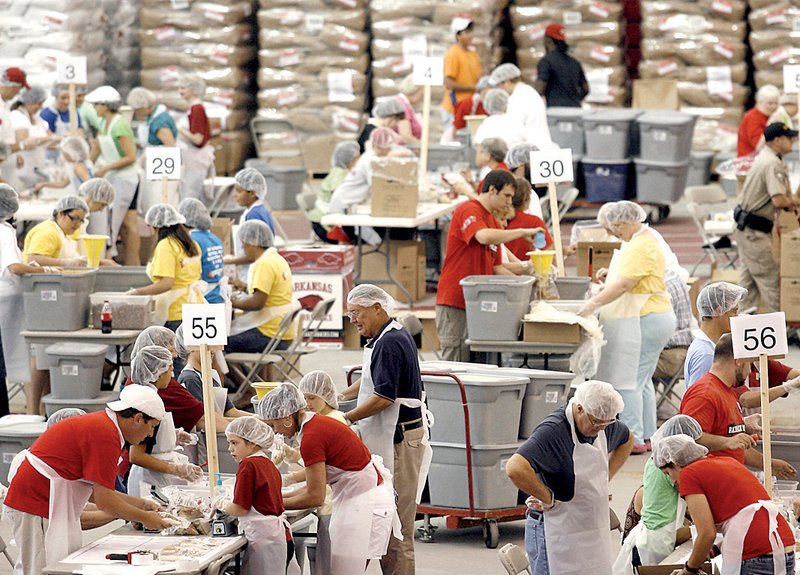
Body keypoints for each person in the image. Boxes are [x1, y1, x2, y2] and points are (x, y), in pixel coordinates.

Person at [3, 385, 172, 575]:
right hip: (35, 501)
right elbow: (105, 501)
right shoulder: (105, 434)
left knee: (56, 566)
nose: (150, 435)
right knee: (39, 569)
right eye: (152, 427)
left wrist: (142, 505)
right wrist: (146, 517)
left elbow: (95, 490)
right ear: (138, 418)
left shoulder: (106, 426)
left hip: (46, 498)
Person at [259, 382, 397, 574]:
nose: (275, 431)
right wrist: (275, 498)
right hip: (361, 497)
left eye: (273, 425)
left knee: (345, 571)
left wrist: (272, 505)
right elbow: (315, 483)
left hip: (366, 504)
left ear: (287, 416)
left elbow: (315, 496)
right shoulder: (315, 424)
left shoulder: (312, 436)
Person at [339, 284, 428, 575]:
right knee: (388, 522)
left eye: (357, 313)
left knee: (398, 527)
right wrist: (339, 397)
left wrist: (347, 418)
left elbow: (384, 396)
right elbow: (370, 378)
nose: (352, 320)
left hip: (400, 439)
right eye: (350, 314)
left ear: (377, 308)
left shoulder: (390, 342)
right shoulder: (383, 337)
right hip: (393, 436)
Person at [506, 380, 633, 574]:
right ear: (579, 408)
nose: (601, 428)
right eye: (596, 423)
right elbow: (515, 468)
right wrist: (546, 496)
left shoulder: (603, 421)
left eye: (606, 423)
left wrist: (603, 480)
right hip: (552, 527)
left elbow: (627, 439)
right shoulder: (553, 431)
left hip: (588, 527)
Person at [578, 201, 676, 454]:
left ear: (629, 221)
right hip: (654, 316)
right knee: (642, 381)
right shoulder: (642, 240)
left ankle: (632, 437)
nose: (614, 232)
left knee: (628, 380)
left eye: (617, 226)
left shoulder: (640, 245)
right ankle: (647, 435)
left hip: (646, 318)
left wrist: (593, 303)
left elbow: (624, 284)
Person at [435, 169, 543, 361]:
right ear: (492, 190)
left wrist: (528, 284)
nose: (510, 202)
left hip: (479, 306)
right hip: (456, 302)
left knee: (480, 364)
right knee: (457, 363)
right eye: (507, 195)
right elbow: (483, 237)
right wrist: (520, 232)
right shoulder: (468, 210)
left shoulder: (491, 219)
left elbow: (497, 267)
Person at [653, 434, 795, 575]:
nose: (672, 481)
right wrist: (712, 551)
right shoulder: (728, 462)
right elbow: (744, 522)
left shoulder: (688, 474)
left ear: (676, 463)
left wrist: (689, 569)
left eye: (667, 473)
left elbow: (707, 533)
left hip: (756, 555)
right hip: (785, 545)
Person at [680, 333, 797, 477]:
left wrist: (769, 463)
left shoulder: (727, 390)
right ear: (739, 361)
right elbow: (688, 439)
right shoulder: (704, 394)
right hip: (713, 480)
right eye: (749, 364)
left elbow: (736, 445)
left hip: (728, 476)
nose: (749, 372)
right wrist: (727, 441)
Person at [685, 282, 798, 408]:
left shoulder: (733, 346)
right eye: (734, 312)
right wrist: (788, 386)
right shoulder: (706, 355)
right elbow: (700, 402)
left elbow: (783, 372)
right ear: (718, 311)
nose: (737, 318)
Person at [0, 185, 59, 418]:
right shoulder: (4, 231)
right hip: (5, 304)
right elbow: (12, 267)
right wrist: (43, 270)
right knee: (6, 363)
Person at [615, 415, 700, 572]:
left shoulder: (655, 459)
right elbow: (692, 497)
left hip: (648, 537)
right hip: (656, 542)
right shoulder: (670, 467)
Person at [735, 122, 800, 313]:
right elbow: (779, 200)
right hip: (754, 231)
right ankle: (780, 330)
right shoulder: (772, 163)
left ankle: (740, 325)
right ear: (777, 140)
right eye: (789, 138)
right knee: (770, 280)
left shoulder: (766, 158)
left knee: (748, 283)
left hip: (747, 228)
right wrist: (795, 200)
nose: (793, 141)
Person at [216, 417, 291, 574]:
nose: (230, 449)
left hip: (265, 542)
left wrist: (221, 503)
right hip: (280, 538)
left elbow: (240, 509)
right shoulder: (268, 463)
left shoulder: (248, 465)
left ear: (253, 442)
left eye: (234, 443)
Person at [126, 345, 203, 497]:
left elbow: (150, 438)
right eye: (170, 370)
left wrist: (171, 437)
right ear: (159, 374)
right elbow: (136, 455)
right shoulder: (146, 402)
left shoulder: (152, 396)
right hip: (148, 482)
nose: (172, 375)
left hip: (157, 480)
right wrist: (176, 469)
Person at [86, 85, 140, 265]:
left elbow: (131, 156)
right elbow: (98, 148)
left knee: (115, 225)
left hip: (125, 180)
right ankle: (128, 265)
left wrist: (106, 168)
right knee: (126, 225)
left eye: (96, 105)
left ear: (105, 105)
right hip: (113, 178)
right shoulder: (104, 123)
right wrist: (87, 165)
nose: (94, 109)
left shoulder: (120, 125)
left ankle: (130, 266)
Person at [225, 220, 295, 353]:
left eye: (244, 244)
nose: (243, 249)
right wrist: (244, 286)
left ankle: (240, 375)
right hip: (284, 331)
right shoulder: (277, 259)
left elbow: (256, 303)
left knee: (220, 344)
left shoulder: (264, 264)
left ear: (253, 243)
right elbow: (268, 293)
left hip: (270, 334)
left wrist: (230, 302)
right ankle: (247, 375)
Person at [327, 128, 405, 245]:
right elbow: (378, 185)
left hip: (351, 205)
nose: (390, 150)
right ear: (382, 146)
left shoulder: (372, 157)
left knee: (374, 240)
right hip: (344, 206)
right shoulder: (369, 160)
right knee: (375, 241)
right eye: (389, 147)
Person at [130, 204, 201, 331]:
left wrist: (137, 292)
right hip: (196, 307)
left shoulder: (166, 246)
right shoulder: (192, 244)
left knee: (175, 350)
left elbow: (167, 283)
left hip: (177, 312)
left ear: (156, 226)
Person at [127, 87, 179, 213]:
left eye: (137, 110)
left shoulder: (160, 122)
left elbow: (170, 147)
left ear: (144, 107)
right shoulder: (153, 118)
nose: (136, 113)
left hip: (163, 172)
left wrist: (145, 157)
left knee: (160, 203)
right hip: (153, 168)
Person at [223, 167, 276, 279]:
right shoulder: (259, 210)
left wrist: (230, 261)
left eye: (239, 191)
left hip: (253, 273)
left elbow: (254, 255)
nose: (235, 195)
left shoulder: (254, 215)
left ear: (252, 193)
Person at [489, 63, 553, 150]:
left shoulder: (517, 98)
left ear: (507, 82)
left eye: (499, 86)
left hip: (532, 150)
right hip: (540, 147)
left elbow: (515, 132)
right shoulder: (528, 91)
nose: (499, 90)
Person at [308, 141, 360, 243]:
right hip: (324, 225)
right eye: (358, 157)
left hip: (324, 221)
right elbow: (339, 196)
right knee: (358, 236)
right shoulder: (339, 174)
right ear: (351, 160)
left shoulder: (343, 172)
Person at [178, 198, 224, 304]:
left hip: (203, 297)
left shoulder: (191, 241)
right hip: (218, 295)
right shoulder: (215, 239)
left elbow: (188, 271)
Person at [177, 75, 214, 201]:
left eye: (183, 88)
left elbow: (198, 139)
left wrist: (179, 129)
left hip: (196, 160)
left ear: (193, 90)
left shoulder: (197, 109)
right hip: (191, 159)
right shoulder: (193, 109)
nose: (180, 91)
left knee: (190, 195)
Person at [534, 24, 589, 108]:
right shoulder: (575, 63)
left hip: (556, 113)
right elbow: (586, 89)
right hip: (576, 112)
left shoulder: (546, 61)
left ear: (548, 40)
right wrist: (574, 101)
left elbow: (539, 90)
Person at [10, 86, 54, 190]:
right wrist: (53, 138)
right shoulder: (17, 116)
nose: (41, 107)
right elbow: (25, 142)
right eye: (38, 103)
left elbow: (50, 138)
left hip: (37, 167)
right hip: (23, 168)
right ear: (29, 101)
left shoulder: (37, 119)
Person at [442, 18, 482, 128]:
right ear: (458, 35)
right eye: (467, 33)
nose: (471, 36)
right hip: (454, 108)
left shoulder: (473, 54)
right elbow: (449, 83)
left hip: (469, 108)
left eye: (471, 32)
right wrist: (473, 88)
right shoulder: (453, 54)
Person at [505, 178, 552, 260]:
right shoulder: (534, 222)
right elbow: (549, 252)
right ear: (526, 199)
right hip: (528, 269)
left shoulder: (499, 220)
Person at [0, 67, 30, 184]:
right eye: (19, 88)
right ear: (13, 86)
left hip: (6, 162)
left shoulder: (4, 106)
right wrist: (21, 146)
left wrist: (16, 153)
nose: (18, 92)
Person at [737, 84, 780, 157]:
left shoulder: (768, 116)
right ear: (759, 102)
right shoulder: (753, 117)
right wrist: (771, 126)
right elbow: (759, 148)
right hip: (750, 162)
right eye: (770, 103)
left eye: (776, 103)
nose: (774, 106)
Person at [395, 75, 423, 143]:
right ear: (415, 91)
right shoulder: (402, 106)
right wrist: (424, 148)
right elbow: (406, 136)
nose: (422, 97)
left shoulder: (405, 104)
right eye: (422, 93)